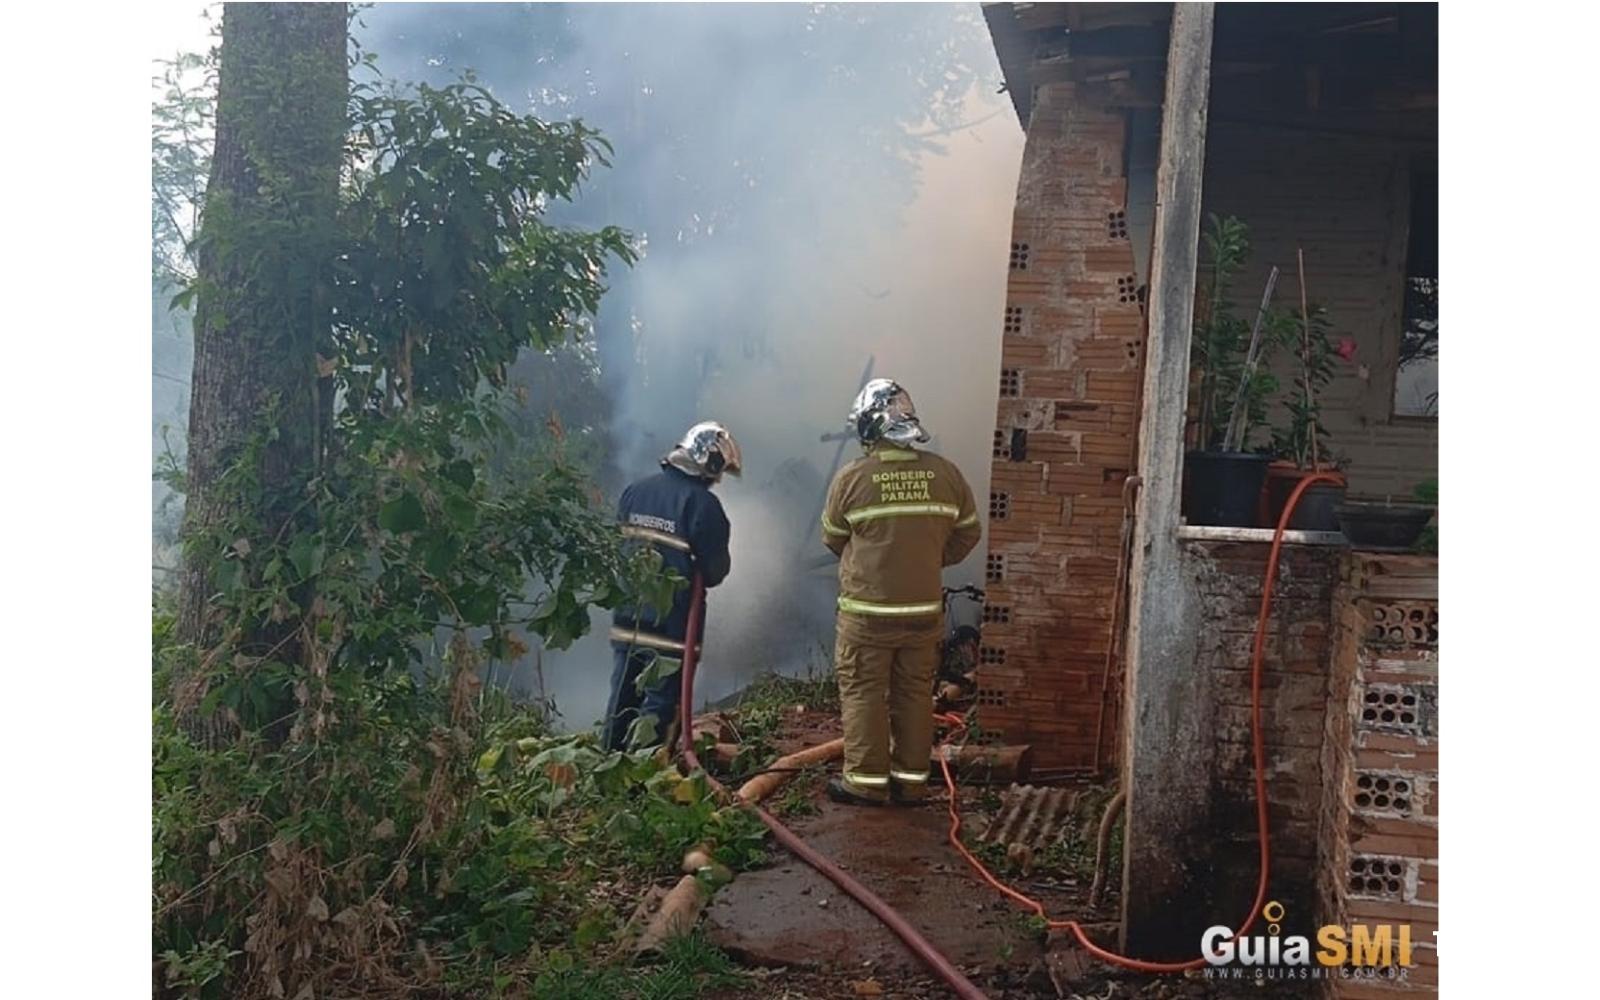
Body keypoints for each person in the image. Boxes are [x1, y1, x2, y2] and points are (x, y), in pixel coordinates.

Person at [820, 379, 981, 805]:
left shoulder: (852, 478)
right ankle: (911, 781)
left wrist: (878, 561)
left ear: (870, 430)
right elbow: (968, 534)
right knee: (914, 693)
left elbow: (833, 539)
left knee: (864, 691)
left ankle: (866, 783)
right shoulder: (946, 474)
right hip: (922, 612)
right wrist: (926, 558)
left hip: (867, 614)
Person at [602, 421, 739, 752]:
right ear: (710, 462)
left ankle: (608, 771)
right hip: (672, 628)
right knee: (661, 708)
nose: (718, 480)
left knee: (622, 701)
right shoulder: (703, 505)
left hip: (628, 620)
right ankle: (647, 780)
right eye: (719, 471)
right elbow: (715, 570)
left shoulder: (635, 491)